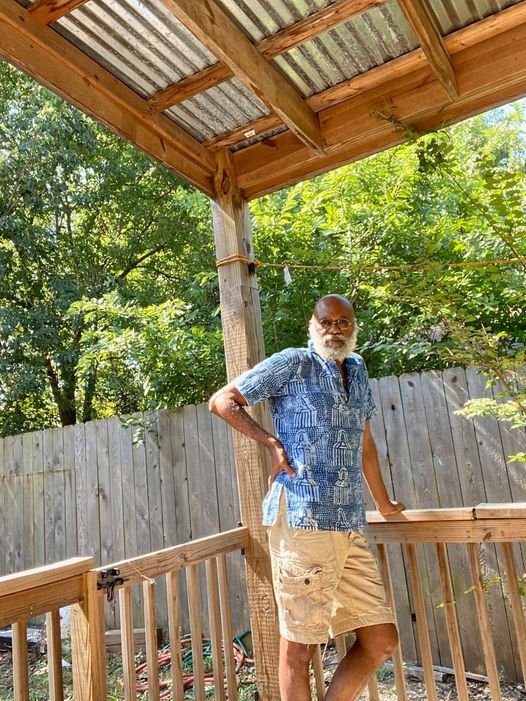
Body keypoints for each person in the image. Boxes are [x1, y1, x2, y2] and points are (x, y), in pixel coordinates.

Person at [209, 294, 406, 701]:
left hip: (349, 521)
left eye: (343, 322)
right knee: (299, 648)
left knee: (381, 639)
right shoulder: (294, 362)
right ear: (312, 326)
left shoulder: (358, 368)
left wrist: (384, 504)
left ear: (354, 327)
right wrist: (270, 443)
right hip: (304, 516)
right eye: (326, 322)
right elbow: (223, 401)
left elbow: (363, 442)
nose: (335, 329)